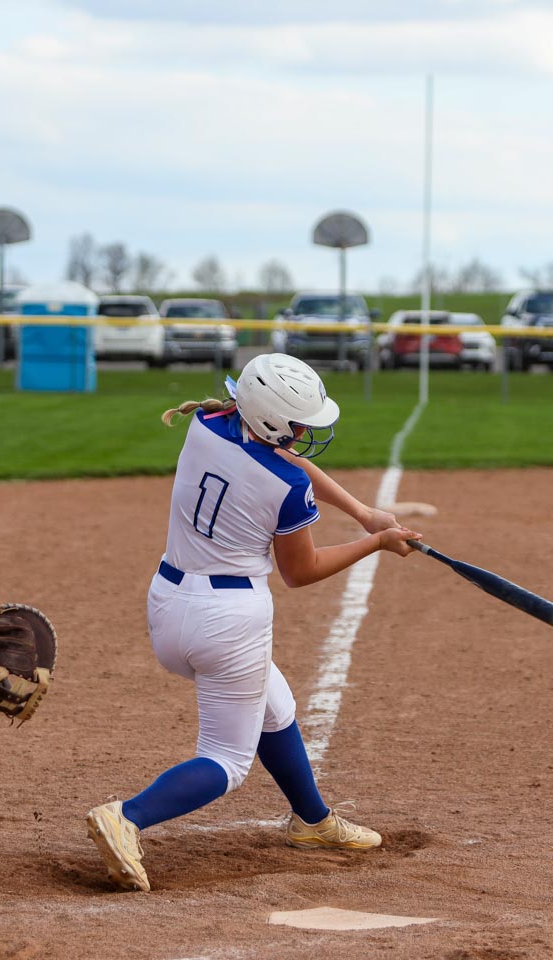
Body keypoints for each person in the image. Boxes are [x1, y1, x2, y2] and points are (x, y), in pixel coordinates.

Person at [84, 353, 421, 893]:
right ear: (271, 420)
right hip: (228, 623)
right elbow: (301, 572)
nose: (307, 431)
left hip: (169, 602)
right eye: (300, 423)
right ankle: (127, 817)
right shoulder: (285, 486)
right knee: (227, 760)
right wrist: (375, 542)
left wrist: (363, 511)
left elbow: (280, 457)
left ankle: (312, 821)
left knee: (275, 702)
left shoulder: (207, 424)